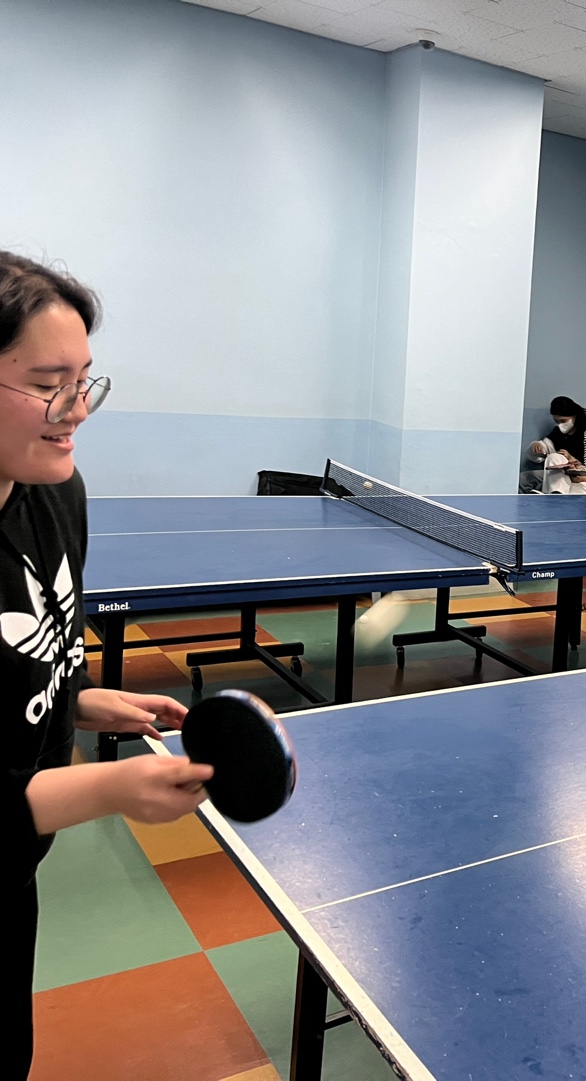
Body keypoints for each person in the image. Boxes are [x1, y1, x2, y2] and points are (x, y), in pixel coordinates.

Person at [0, 252, 212, 1074]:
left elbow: (34, 642)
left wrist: (79, 698)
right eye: (49, 383)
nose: (78, 409)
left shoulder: (57, 493)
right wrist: (112, 788)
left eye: (85, 379)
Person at [519, 396, 586, 494]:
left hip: (577, 474)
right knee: (523, 478)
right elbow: (546, 447)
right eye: (556, 421)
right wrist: (537, 446)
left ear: (574, 416)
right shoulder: (557, 433)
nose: (560, 425)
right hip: (556, 473)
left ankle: (555, 495)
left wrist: (571, 459)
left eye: (563, 421)